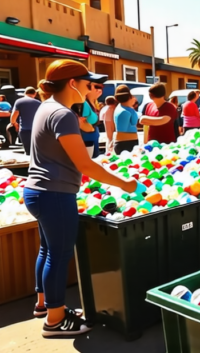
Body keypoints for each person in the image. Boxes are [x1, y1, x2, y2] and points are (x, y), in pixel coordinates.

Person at [24, 59, 137, 337]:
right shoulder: (63, 115)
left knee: (48, 251)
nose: (92, 88)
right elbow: (85, 164)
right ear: (73, 84)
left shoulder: (45, 107)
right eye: (88, 83)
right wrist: (123, 184)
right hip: (55, 193)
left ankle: (45, 305)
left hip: (37, 191)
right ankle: (55, 320)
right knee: (59, 256)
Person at [10, 87, 41, 154]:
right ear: (35, 94)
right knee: (36, 152)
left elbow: (13, 117)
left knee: (28, 152)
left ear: (25, 93)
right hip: (36, 130)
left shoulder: (19, 101)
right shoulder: (38, 103)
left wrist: (15, 124)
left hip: (24, 129)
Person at [113, 86, 140, 154]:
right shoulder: (126, 111)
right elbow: (134, 121)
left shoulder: (119, 108)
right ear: (129, 96)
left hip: (122, 142)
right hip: (127, 143)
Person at [79, 82, 102, 158]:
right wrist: (91, 129)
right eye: (96, 87)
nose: (99, 89)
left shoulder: (93, 103)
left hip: (92, 139)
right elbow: (81, 122)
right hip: (87, 141)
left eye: (100, 87)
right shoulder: (84, 103)